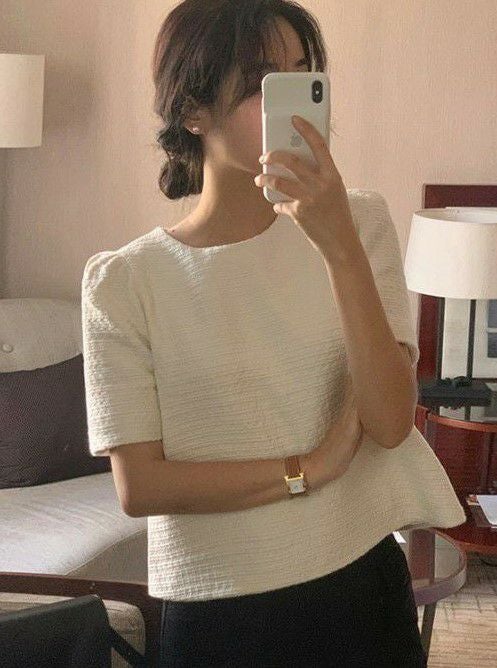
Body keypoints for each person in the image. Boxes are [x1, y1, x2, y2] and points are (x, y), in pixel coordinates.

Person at [81, 1, 466, 666]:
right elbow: (139, 486)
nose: (295, 98)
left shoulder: (360, 222)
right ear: (193, 110)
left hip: (360, 584)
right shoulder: (124, 282)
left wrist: (338, 245)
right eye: (263, 81)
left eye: (304, 73)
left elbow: (387, 421)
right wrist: (307, 469)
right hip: (216, 609)